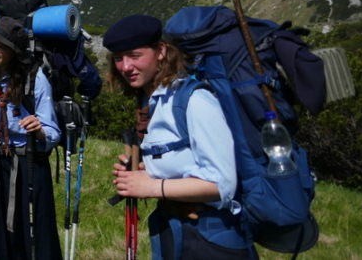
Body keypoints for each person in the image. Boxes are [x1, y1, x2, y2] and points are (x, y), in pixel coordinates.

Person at [105, 15, 255, 259]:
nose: (125, 67)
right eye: (119, 58)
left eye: (134, 56)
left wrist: (151, 186)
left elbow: (222, 184)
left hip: (211, 240)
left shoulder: (195, 101)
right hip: (177, 230)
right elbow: (183, 162)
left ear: (161, 51)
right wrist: (144, 171)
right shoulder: (154, 100)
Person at [0, 16, 61, 260]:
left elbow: (53, 131)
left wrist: (38, 130)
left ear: (14, 52)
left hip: (29, 162)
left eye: (1, 46)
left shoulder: (34, 79)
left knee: (35, 226)